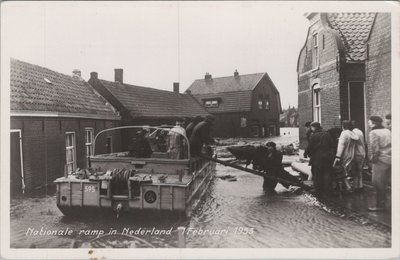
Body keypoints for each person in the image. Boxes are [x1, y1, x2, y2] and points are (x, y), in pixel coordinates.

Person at [304, 122, 335, 197]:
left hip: (317, 159)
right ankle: (328, 191)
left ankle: (318, 191)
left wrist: (305, 153)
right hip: (327, 158)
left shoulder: (313, 136)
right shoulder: (327, 134)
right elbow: (332, 145)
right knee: (327, 174)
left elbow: (310, 147)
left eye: (311, 127)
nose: (311, 129)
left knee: (317, 174)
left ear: (314, 127)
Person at [367, 116, 391, 211]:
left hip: (380, 160)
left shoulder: (373, 132)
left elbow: (375, 148)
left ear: (373, 123)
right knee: (388, 182)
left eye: (369, 122)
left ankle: (380, 205)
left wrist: (373, 160)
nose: (368, 123)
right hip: (390, 158)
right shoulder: (387, 131)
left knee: (378, 183)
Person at [333, 120, 359, 193]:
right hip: (352, 154)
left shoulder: (344, 133)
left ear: (343, 126)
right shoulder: (352, 133)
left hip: (345, 154)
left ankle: (348, 187)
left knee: (343, 171)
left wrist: (338, 156)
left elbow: (341, 145)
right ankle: (351, 186)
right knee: (350, 170)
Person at [351, 120, 367, 190]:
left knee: (355, 171)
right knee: (360, 170)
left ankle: (355, 186)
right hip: (362, 152)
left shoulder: (353, 132)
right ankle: (360, 185)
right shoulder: (360, 131)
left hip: (356, 153)